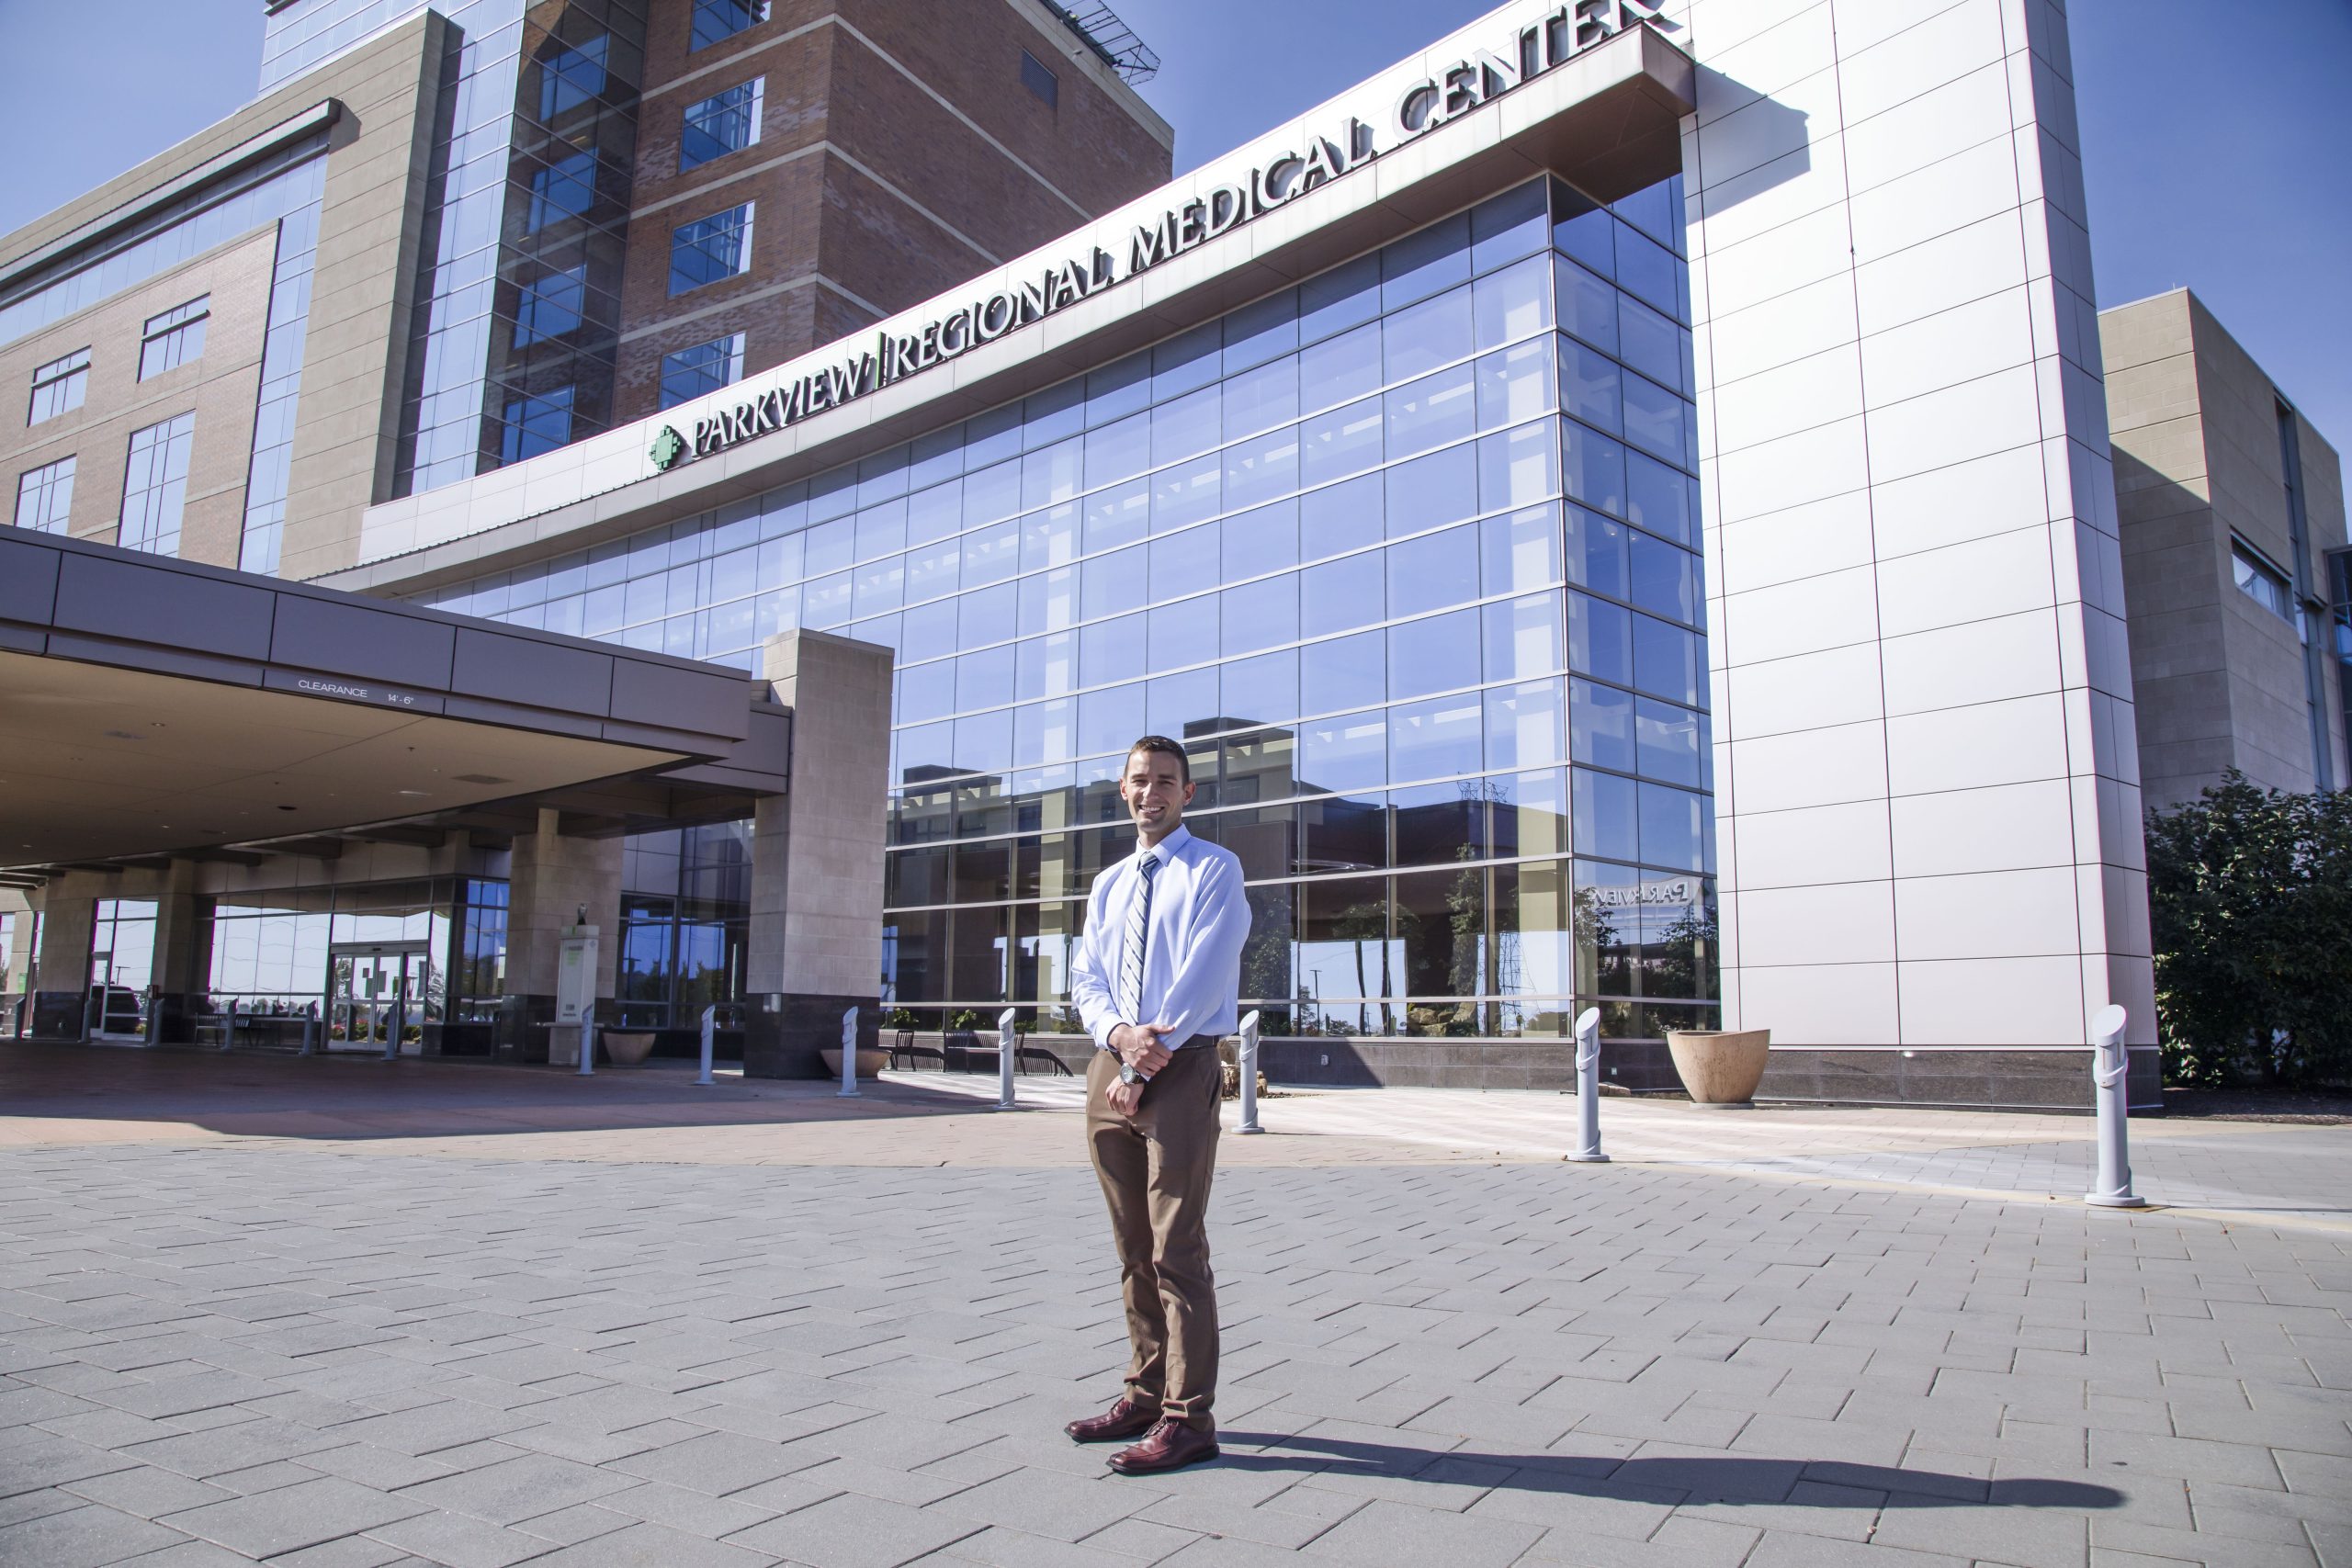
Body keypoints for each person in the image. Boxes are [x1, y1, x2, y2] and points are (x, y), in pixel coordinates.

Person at [1062, 735, 1251, 1475]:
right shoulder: (1108, 883)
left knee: (1177, 1248)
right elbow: (1085, 977)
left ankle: (1188, 1417)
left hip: (1178, 1063)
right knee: (1132, 1247)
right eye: (1140, 781)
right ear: (1124, 791)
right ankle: (1144, 1392)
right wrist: (1115, 1036)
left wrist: (1143, 1062)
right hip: (1111, 1065)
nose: (1153, 793)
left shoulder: (1215, 869)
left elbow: (1205, 973)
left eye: (1166, 781)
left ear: (1188, 792)